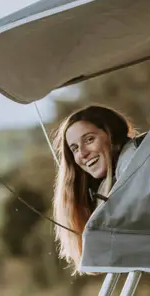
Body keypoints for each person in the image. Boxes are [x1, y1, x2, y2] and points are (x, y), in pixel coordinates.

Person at [51, 105, 142, 272]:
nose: (82, 153)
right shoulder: (108, 185)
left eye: (89, 140)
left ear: (112, 136)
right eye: (75, 149)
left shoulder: (135, 159)